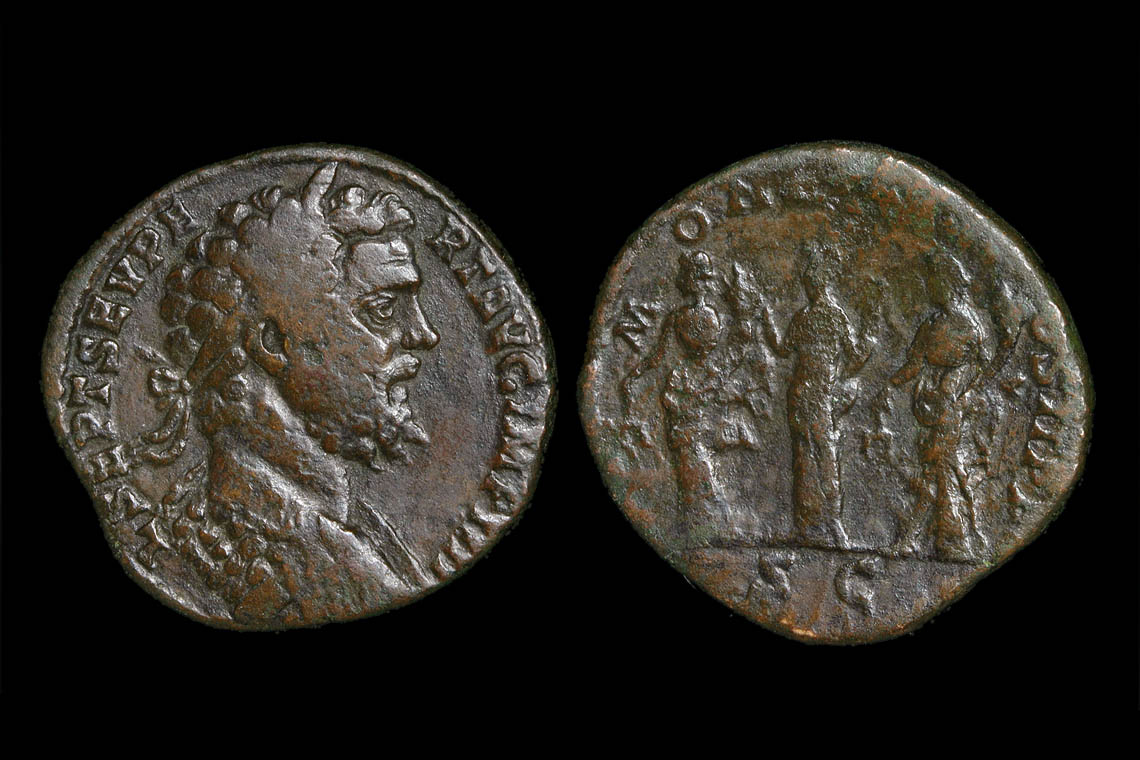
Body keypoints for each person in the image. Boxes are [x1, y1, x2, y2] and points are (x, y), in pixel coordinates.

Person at [148, 163, 441, 625]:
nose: (424, 335)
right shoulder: (233, 538)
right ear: (273, 344)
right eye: (384, 310)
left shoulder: (346, 518)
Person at [759, 241, 872, 549]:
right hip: (810, 394)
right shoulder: (823, 317)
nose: (808, 289)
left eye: (810, 283)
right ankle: (814, 525)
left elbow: (782, 349)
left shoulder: (820, 316)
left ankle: (826, 525)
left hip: (813, 394)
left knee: (814, 455)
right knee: (815, 456)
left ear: (818, 284)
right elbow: (854, 356)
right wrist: (869, 334)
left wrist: (767, 322)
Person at [889, 251, 991, 562]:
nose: (931, 288)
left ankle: (953, 540)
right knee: (937, 472)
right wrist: (887, 387)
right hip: (929, 408)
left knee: (942, 470)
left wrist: (965, 395)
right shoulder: (930, 326)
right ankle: (937, 540)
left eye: (934, 282)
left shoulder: (970, 327)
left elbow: (983, 369)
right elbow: (912, 366)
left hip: (951, 412)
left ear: (948, 283)